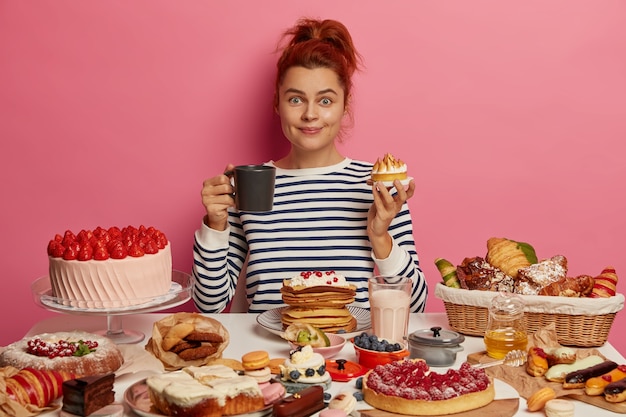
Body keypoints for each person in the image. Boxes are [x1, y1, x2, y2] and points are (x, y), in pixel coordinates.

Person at [192, 17, 427, 314]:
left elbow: (416, 305)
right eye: (296, 100)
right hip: (269, 358)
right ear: (277, 103)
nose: (310, 115)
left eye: (326, 101)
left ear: (345, 105)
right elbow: (208, 303)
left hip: (351, 356)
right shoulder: (250, 184)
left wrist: (380, 236)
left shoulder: (376, 187)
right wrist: (215, 225)